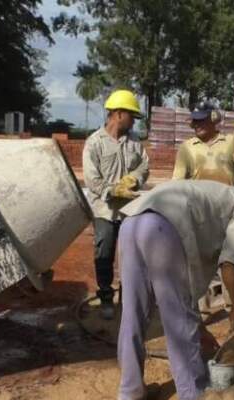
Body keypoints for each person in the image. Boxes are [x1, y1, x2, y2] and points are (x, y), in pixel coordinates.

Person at [115, 180, 234, 400]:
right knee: (177, 319)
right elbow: (230, 263)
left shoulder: (215, 208)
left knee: (133, 311)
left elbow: (187, 289)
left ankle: (130, 391)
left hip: (131, 223)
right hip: (162, 228)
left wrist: (200, 329)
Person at [82, 89, 149, 320]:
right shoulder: (94, 143)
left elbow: (144, 166)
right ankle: (106, 298)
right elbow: (92, 180)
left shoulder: (134, 143)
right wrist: (112, 190)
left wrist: (135, 179)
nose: (134, 122)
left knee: (133, 255)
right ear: (119, 114)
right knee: (104, 253)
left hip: (130, 211)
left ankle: (129, 298)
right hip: (105, 211)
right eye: (132, 116)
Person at [172, 101, 234, 186]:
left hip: (227, 199)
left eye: (201, 120)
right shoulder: (186, 147)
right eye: (195, 121)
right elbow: (177, 183)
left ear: (213, 119)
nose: (197, 125)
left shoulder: (232, 142)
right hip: (198, 199)